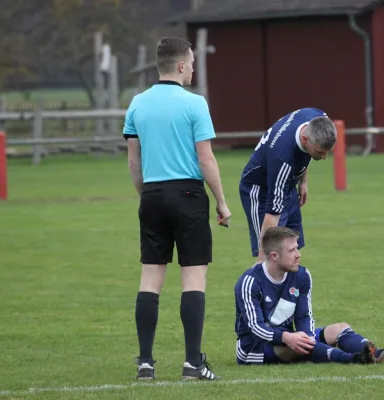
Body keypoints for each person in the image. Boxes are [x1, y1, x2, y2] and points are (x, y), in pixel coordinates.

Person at [123, 37, 231, 381]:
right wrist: (222, 202)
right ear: (182, 65)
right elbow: (206, 158)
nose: (194, 68)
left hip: (151, 195)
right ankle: (192, 365)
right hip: (187, 194)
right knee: (193, 277)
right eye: (193, 62)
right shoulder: (195, 103)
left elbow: (133, 162)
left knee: (150, 279)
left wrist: (147, 194)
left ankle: (145, 364)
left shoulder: (137, 104)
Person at [233, 226, 384, 366]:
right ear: (274, 256)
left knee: (340, 328)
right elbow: (255, 328)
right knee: (294, 346)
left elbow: (304, 316)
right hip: (255, 348)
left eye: (297, 248)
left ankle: (377, 353)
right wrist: (288, 338)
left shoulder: (301, 275)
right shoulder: (250, 282)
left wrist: (305, 336)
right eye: (292, 251)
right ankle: (354, 360)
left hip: (290, 337)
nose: (298, 255)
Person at [240, 108, 337, 262]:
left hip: (287, 184)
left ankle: (290, 287)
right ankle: (254, 283)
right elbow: (273, 211)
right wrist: (263, 256)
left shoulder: (318, 117)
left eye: (328, 152)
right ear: (305, 140)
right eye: (320, 152)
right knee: (271, 257)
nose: (324, 157)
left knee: (291, 251)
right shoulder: (283, 158)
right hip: (261, 191)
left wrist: (303, 181)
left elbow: (305, 154)